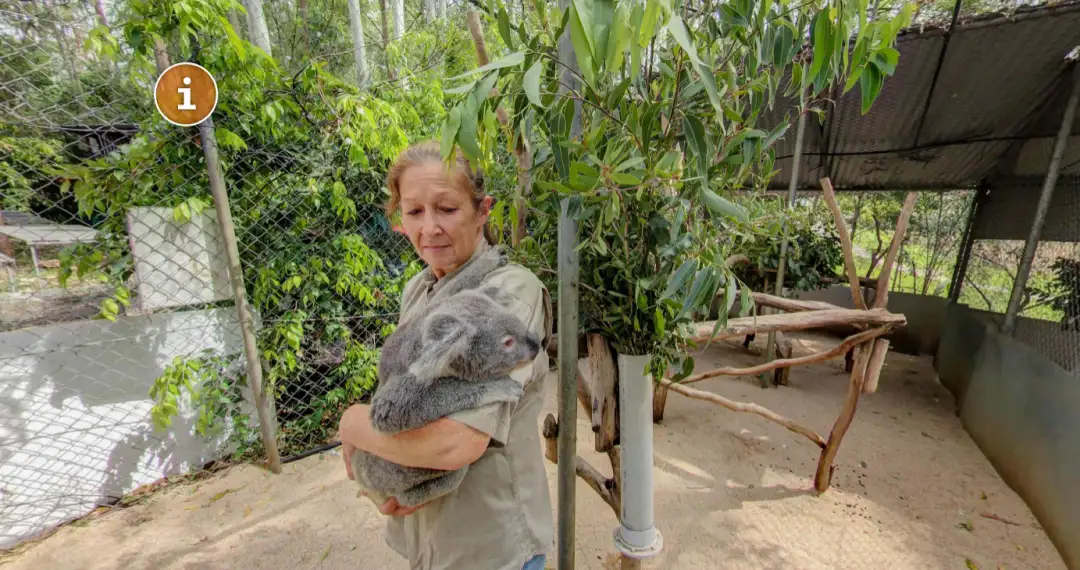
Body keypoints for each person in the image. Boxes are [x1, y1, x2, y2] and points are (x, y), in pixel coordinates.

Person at [337, 140, 554, 570]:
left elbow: (455, 443)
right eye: (415, 211)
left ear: (483, 210)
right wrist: (385, 485)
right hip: (429, 540)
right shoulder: (418, 290)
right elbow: (405, 394)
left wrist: (351, 425)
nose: (430, 227)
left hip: (492, 545)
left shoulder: (510, 292)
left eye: (447, 209)